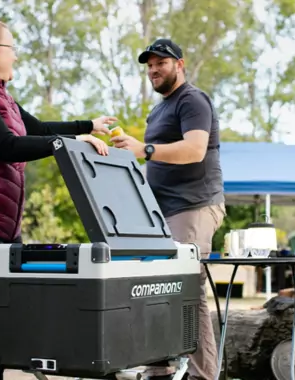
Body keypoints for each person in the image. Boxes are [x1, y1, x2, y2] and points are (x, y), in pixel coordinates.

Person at [0, 18, 117, 380]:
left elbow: (40, 129)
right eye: (13, 48)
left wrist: (86, 127)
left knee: (0, 326)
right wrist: (67, 145)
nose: (17, 56)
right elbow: (5, 146)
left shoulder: (1, 98)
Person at [111, 38, 225, 380]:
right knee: (154, 287)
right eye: (149, 65)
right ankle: (159, 368)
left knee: (189, 291)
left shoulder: (193, 100)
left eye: (161, 62)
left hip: (193, 206)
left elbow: (193, 150)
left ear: (180, 63)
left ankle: (204, 375)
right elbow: (156, 161)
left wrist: (143, 149)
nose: (154, 69)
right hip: (159, 213)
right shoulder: (159, 109)